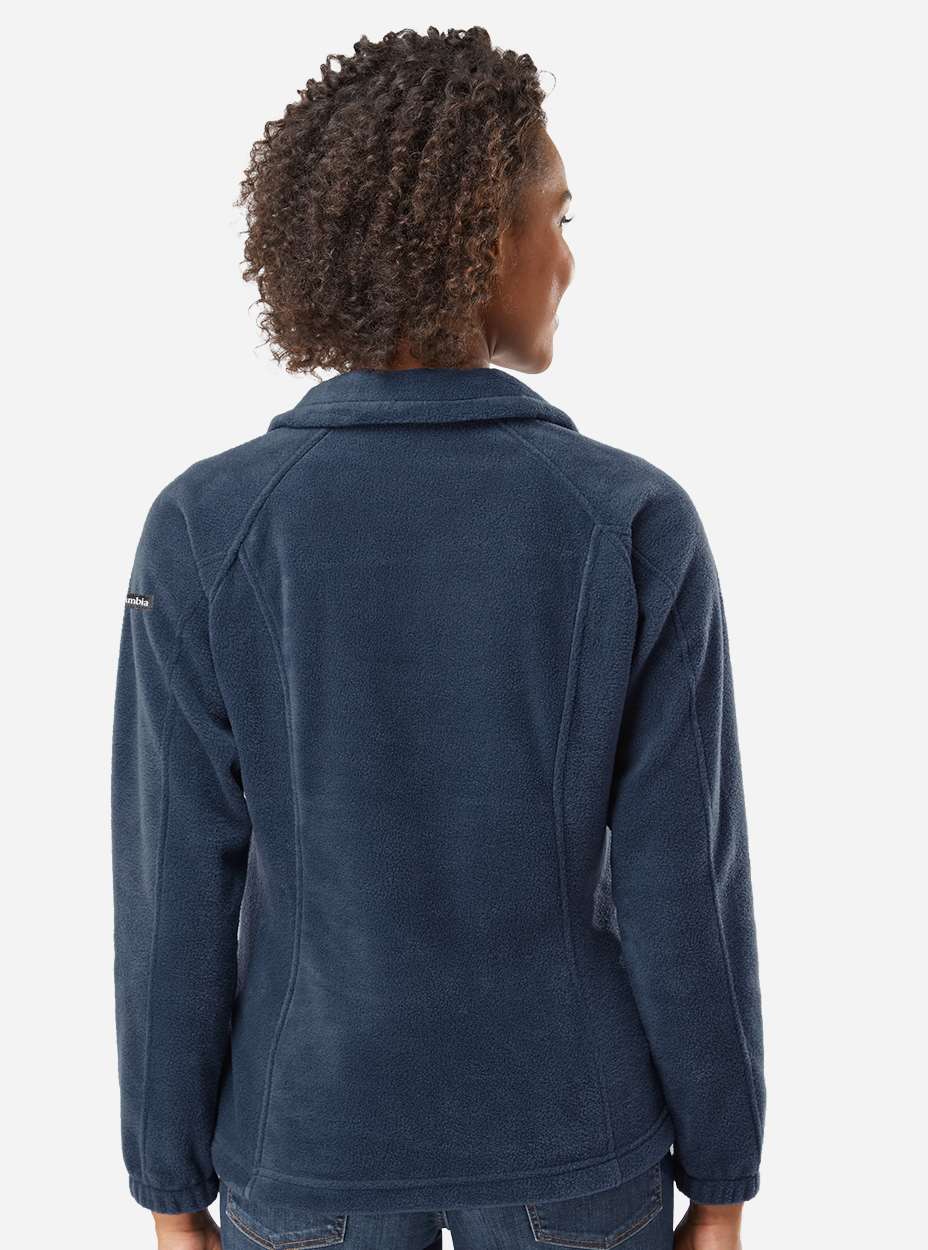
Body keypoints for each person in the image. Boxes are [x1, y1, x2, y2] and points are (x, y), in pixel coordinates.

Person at [111, 25, 766, 1250]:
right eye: (557, 217)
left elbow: (170, 892)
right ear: (483, 238)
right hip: (574, 1142)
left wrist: (168, 1183)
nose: (567, 256)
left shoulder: (208, 526)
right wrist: (722, 1174)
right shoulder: (628, 520)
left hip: (304, 1141)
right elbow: (686, 883)